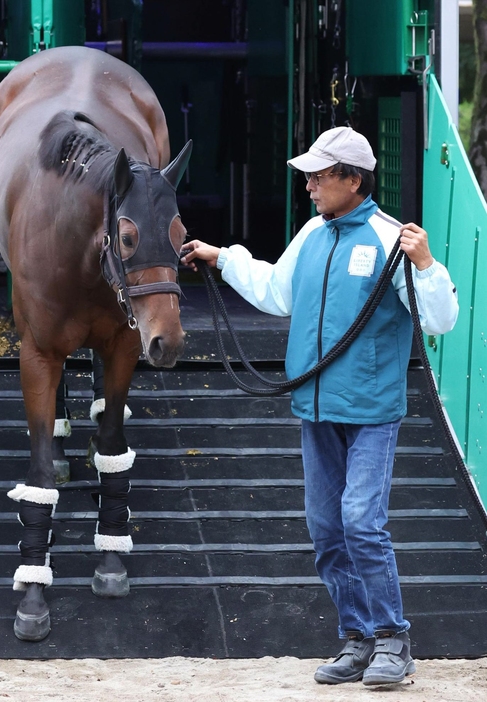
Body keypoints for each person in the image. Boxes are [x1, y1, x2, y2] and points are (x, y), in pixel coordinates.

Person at [180, 126, 459, 686]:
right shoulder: (312, 232)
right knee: (327, 528)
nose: (308, 184)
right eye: (307, 174)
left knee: (361, 521)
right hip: (315, 408)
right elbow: (276, 292)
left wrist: (427, 265)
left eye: (319, 174)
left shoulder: (390, 239)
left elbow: (441, 320)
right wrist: (222, 258)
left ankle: (392, 639)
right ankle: (356, 639)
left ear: (352, 180)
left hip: (371, 411)